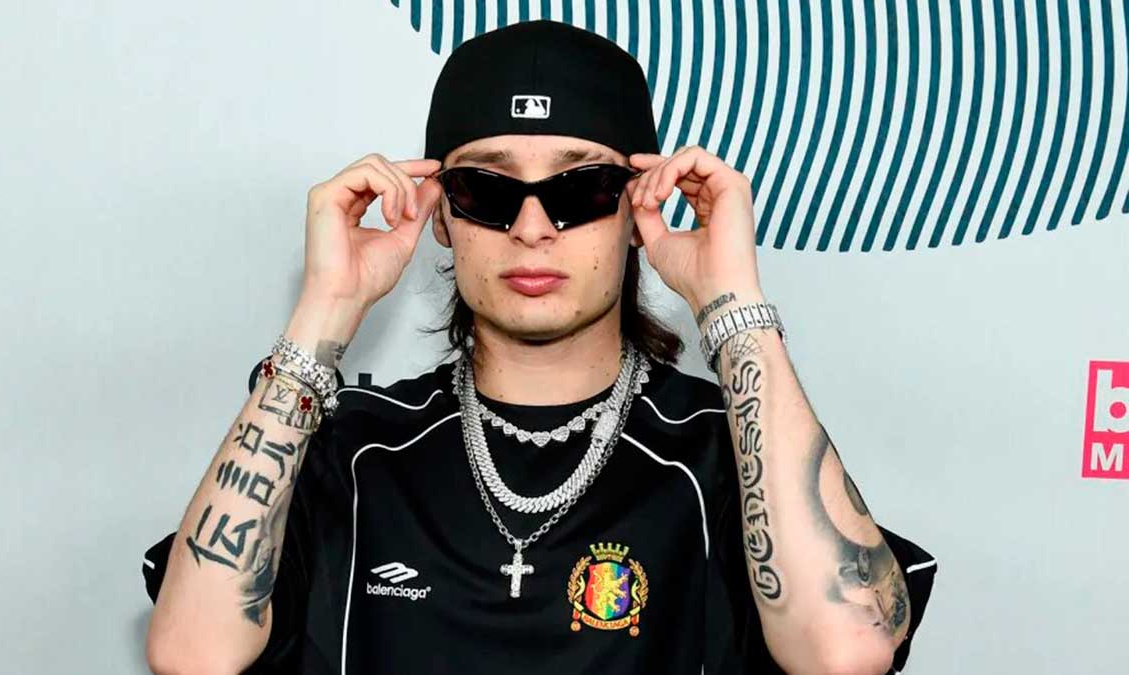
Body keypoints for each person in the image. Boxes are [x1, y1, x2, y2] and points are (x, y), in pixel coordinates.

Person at [141, 20, 936, 675]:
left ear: (636, 211)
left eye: (580, 189)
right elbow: (192, 653)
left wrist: (731, 301)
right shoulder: (349, 444)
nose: (531, 228)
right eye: (484, 189)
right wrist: (326, 308)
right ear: (441, 215)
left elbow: (846, 651)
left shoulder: (728, 451)